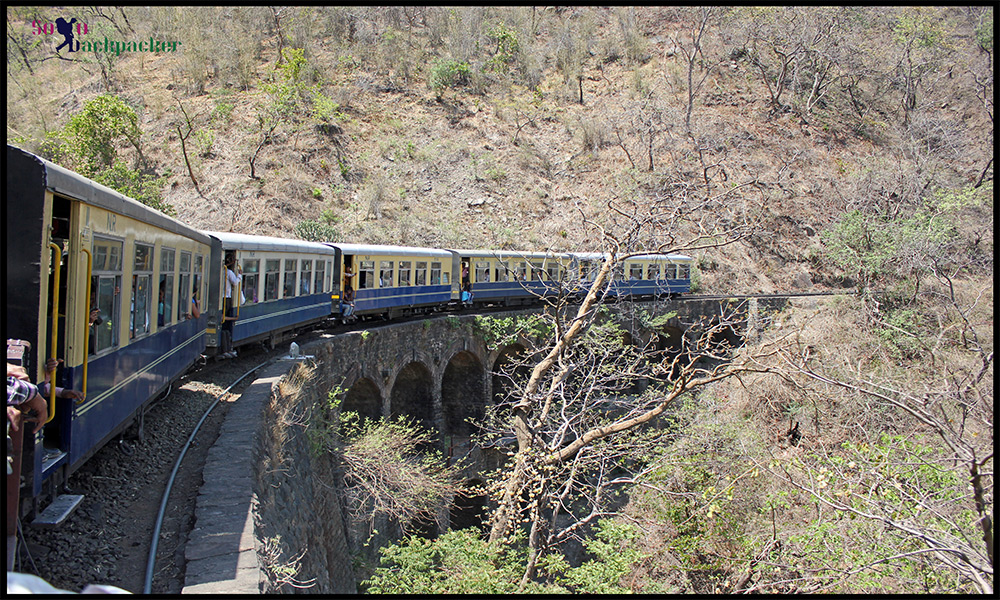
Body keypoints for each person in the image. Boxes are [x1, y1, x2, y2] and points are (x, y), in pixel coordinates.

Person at [220, 254, 242, 359]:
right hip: (227, 298)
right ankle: (226, 348)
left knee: (223, 323)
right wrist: (240, 276)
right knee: (225, 323)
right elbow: (235, 282)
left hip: (220, 298)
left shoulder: (219, 271)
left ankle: (226, 348)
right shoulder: (228, 272)